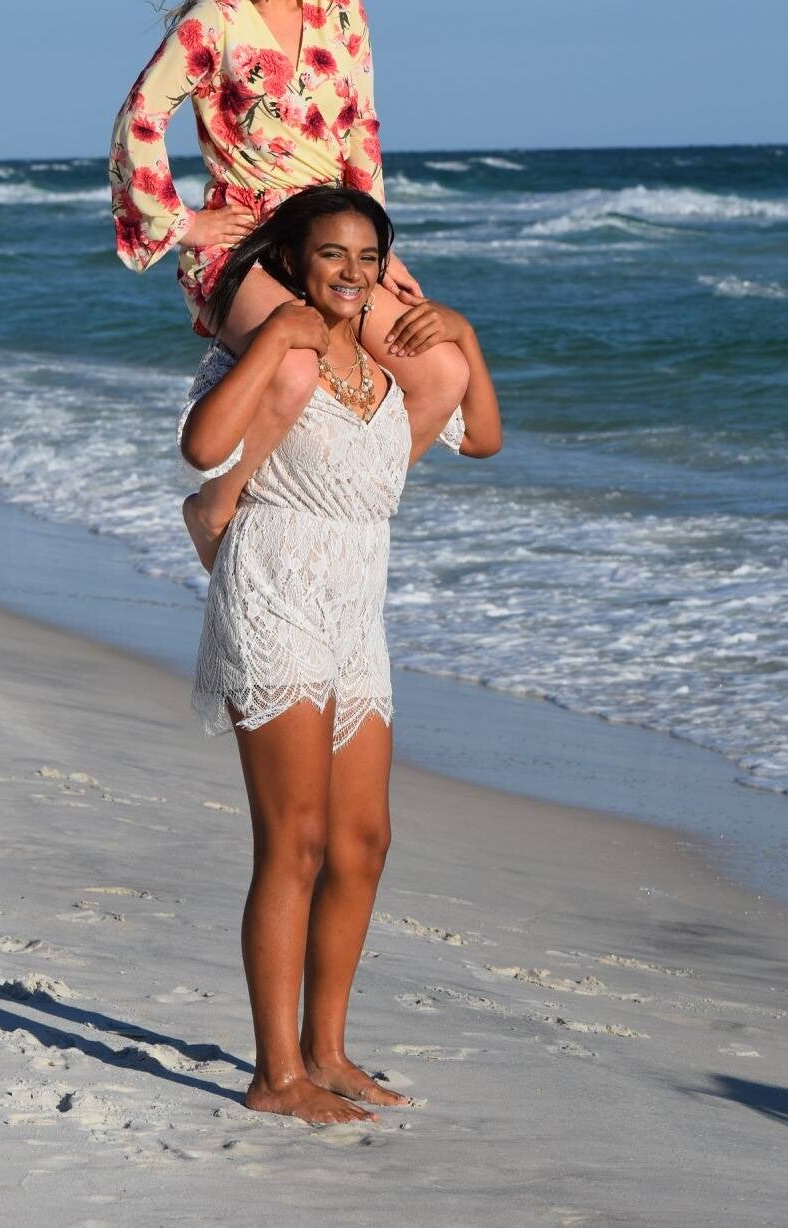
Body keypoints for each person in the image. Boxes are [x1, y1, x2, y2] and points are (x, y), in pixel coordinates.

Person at [177, 185, 502, 1126]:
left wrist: (466, 337)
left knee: (363, 843)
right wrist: (274, 338)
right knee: (298, 840)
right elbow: (203, 446)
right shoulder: (272, 351)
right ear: (293, 263)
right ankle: (275, 1075)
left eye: (369, 257)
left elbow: (483, 440)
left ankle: (327, 1051)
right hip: (273, 591)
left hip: (356, 611)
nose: (354, 273)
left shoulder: (388, 365)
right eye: (332, 255)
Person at [110, 0, 469, 568]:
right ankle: (216, 506)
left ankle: (341, 507)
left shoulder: (341, 4)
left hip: (332, 238)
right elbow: (139, 117)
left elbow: (361, 129)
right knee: (296, 363)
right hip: (244, 242)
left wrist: (379, 250)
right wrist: (180, 223)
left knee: (440, 373)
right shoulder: (212, 20)